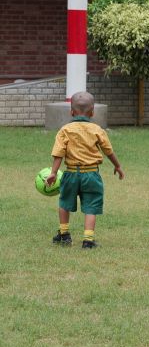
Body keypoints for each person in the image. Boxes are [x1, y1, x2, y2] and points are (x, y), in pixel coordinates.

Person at [46, 91, 124, 248]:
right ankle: (88, 241)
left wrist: (53, 172)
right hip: (91, 174)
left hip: (71, 173)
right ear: (92, 112)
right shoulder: (97, 130)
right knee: (91, 205)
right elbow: (108, 151)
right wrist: (117, 166)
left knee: (64, 202)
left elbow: (59, 153)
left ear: (71, 111)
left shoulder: (65, 130)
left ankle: (64, 235)